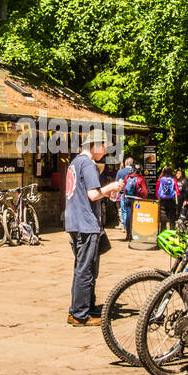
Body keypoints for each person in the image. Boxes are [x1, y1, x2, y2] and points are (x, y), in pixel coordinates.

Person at [64, 129, 125, 326]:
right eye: (104, 145)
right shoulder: (88, 164)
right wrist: (112, 187)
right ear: (95, 145)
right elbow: (92, 195)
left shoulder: (74, 163)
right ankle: (80, 314)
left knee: (82, 267)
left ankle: (84, 307)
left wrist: (104, 192)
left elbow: (85, 193)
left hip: (75, 221)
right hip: (86, 223)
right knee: (86, 269)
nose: (106, 150)